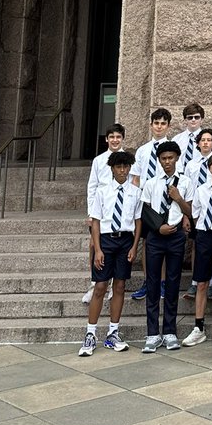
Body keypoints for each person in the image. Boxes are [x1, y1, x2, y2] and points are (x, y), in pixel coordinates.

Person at [79, 150, 142, 356]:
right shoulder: (103, 191)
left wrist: (134, 246)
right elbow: (96, 221)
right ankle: (90, 333)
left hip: (125, 240)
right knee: (100, 286)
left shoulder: (135, 192)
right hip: (106, 239)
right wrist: (97, 249)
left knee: (121, 285)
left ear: (129, 168)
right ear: (112, 169)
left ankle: (113, 332)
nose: (122, 170)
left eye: (125, 167)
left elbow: (138, 220)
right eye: (118, 167)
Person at [139, 140, 193, 353]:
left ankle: (170, 331)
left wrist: (178, 199)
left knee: (172, 282)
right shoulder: (152, 183)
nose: (167, 162)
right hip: (156, 236)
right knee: (152, 283)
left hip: (176, 236)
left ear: (177, 158)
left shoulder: (186, 182)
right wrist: (158, 228)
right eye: (164, 159)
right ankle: (152, 333)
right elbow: (145, 210)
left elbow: (190, 211)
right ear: (159, 160)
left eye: (171, 158)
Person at [182, 150, 212, 345]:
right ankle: (198, 327)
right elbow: (196, 214)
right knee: (201, 283)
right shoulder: (201, 189)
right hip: (205, 235)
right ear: (209, 168)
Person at [129, 107, 173, 302]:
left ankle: (163, 282)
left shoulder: (172, 148)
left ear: (168, 126)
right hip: (147, 202)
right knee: (148, 242)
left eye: (163, 123)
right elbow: (136, 179)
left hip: (167, 200)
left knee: (165, 243)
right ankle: (149, 281)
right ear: (151, 125)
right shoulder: (143, 151)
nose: (159, 127)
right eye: (156, 123)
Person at [82, 123, 125, 305]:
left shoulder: (128, 160)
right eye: (112, 137)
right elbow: (92, 187)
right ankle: (95, 284)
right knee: (94, 245)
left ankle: (113, 285)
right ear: (107, 139)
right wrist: (91, 213)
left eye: (118, 137)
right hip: (101, 210)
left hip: (119, 212)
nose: (115, 140)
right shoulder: (99, 160)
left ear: (122, 139)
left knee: (118, 248)